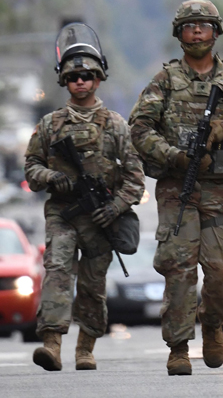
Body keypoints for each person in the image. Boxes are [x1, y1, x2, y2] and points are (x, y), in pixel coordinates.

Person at [129, 0, 223, 375]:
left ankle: (212, 324)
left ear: (215, 32)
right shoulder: (165, 81)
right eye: (189, 25)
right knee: (178, 268)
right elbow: (140, 129)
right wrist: (174, 156)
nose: (196, 31)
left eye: (203, 25)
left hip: (222, 189)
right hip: (179, 187)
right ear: (179, 34)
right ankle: (178, 346)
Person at [25, 23, 145, 372]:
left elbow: (135, 177)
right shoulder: (50, 125)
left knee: (93, 283)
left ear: (98, 79)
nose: (80, 81)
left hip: (100, 218)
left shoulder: (116, 126)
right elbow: (31, 167)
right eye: (74, 76)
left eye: (88, 76)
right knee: (58, 272)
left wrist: (116, 207)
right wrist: (53, 177)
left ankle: (86, 347)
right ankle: (51, 342)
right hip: (63, 214)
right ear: (64, 80)